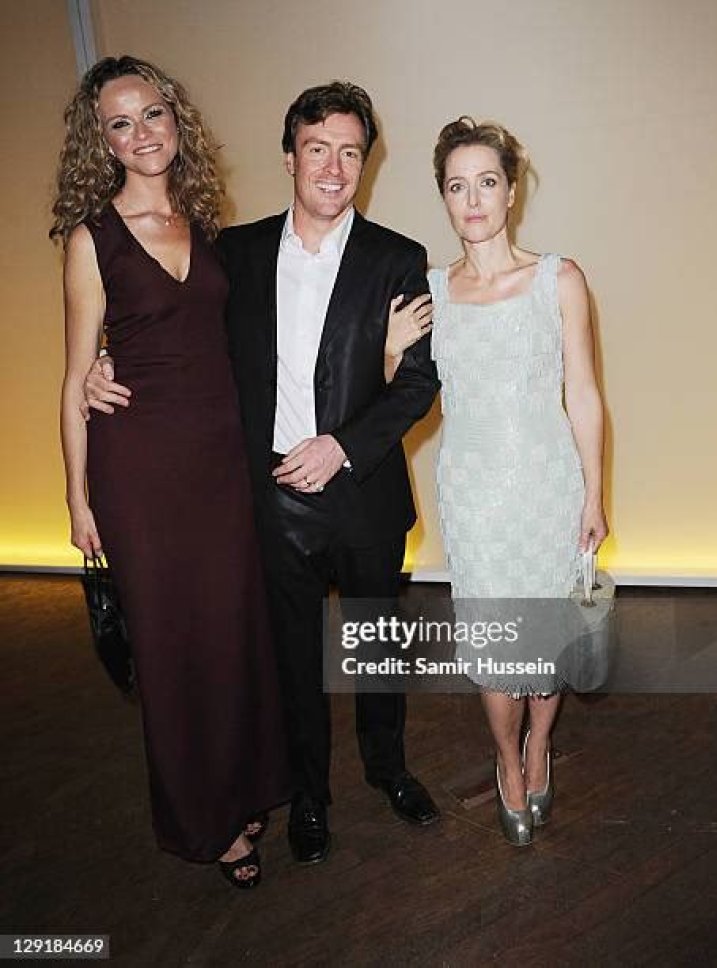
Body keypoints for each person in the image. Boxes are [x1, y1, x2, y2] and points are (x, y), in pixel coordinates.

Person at [88, 81, 441, 866]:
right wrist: (102, 362)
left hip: (364, 495)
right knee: (292, 663)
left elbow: (418, 383)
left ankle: (388, 770)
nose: (333, 168)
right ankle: (308, 796)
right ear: (289, 157)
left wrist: (341, 444)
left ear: (365, 164)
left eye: (350, 153)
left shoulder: (397, 258)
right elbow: (177, 331)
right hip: (270, 500)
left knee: (377, 650)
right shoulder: (235, 253)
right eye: (317, 149)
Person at [53, 55, 289, 888]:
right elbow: (75, 379)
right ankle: (205, 819)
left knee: (233, 631)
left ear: (174, 118)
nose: (141, 133)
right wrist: (78, 499)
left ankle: (246, 786)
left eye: (151, 113)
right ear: (103, 142)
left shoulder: (204, 222)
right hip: (141, 471)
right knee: (172, 646)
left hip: (220, 464)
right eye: (120, 124)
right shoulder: (93, 240)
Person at [385, 117, 608, 846]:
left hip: (548, 485)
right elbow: (395, 399)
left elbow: (584, 393)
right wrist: (388, 352)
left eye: (487, 182)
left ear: (511, 192)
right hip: (474, 494)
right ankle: (506, 759)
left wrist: (595, 494)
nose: (473, 199)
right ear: (444, 198)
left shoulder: (558, 279)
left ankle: (540, 746)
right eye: (457, 186)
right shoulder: (429, 295)